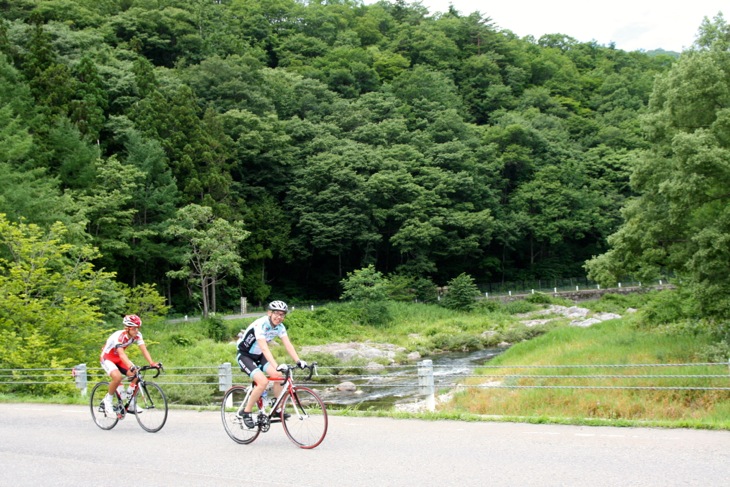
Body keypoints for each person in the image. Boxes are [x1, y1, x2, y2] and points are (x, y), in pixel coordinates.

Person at [236, 300, 306, 428]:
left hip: (259, 356)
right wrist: (276, 364)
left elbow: (288, 345)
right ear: (269, 313)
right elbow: (264, 348)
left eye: (282, 315)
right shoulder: (260, 324)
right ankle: (245, 412)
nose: (279, 317)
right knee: (263, 382)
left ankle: (277, 408)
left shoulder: (280, 327)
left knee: (279, 375)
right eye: (276, 314)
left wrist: (298, 360)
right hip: (245, 355)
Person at [99, 314, 160, 415]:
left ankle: (130, 401)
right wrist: (131, 366)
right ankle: (107, 401)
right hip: (107, 358)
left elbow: (144, 349)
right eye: (134, 328)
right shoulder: (119, 337)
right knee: (117, 377)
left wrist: (151, 363)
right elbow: (122, 354)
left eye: (138, 328)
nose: (136, 331)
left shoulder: (137, 335)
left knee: (137, 374)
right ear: (127, 328)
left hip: (119, 359)